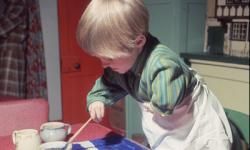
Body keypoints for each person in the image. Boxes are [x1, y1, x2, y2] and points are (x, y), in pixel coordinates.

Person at [76, 0, 233, 149]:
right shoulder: (120, 65)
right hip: (168, 129)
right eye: (100, 57)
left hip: (194, 126)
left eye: (109, 57)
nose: (104, 64)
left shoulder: (163, 64)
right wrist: (96, 99)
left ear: (138, 42)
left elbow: (166, 98)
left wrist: (157, 105)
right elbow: (107, 84)